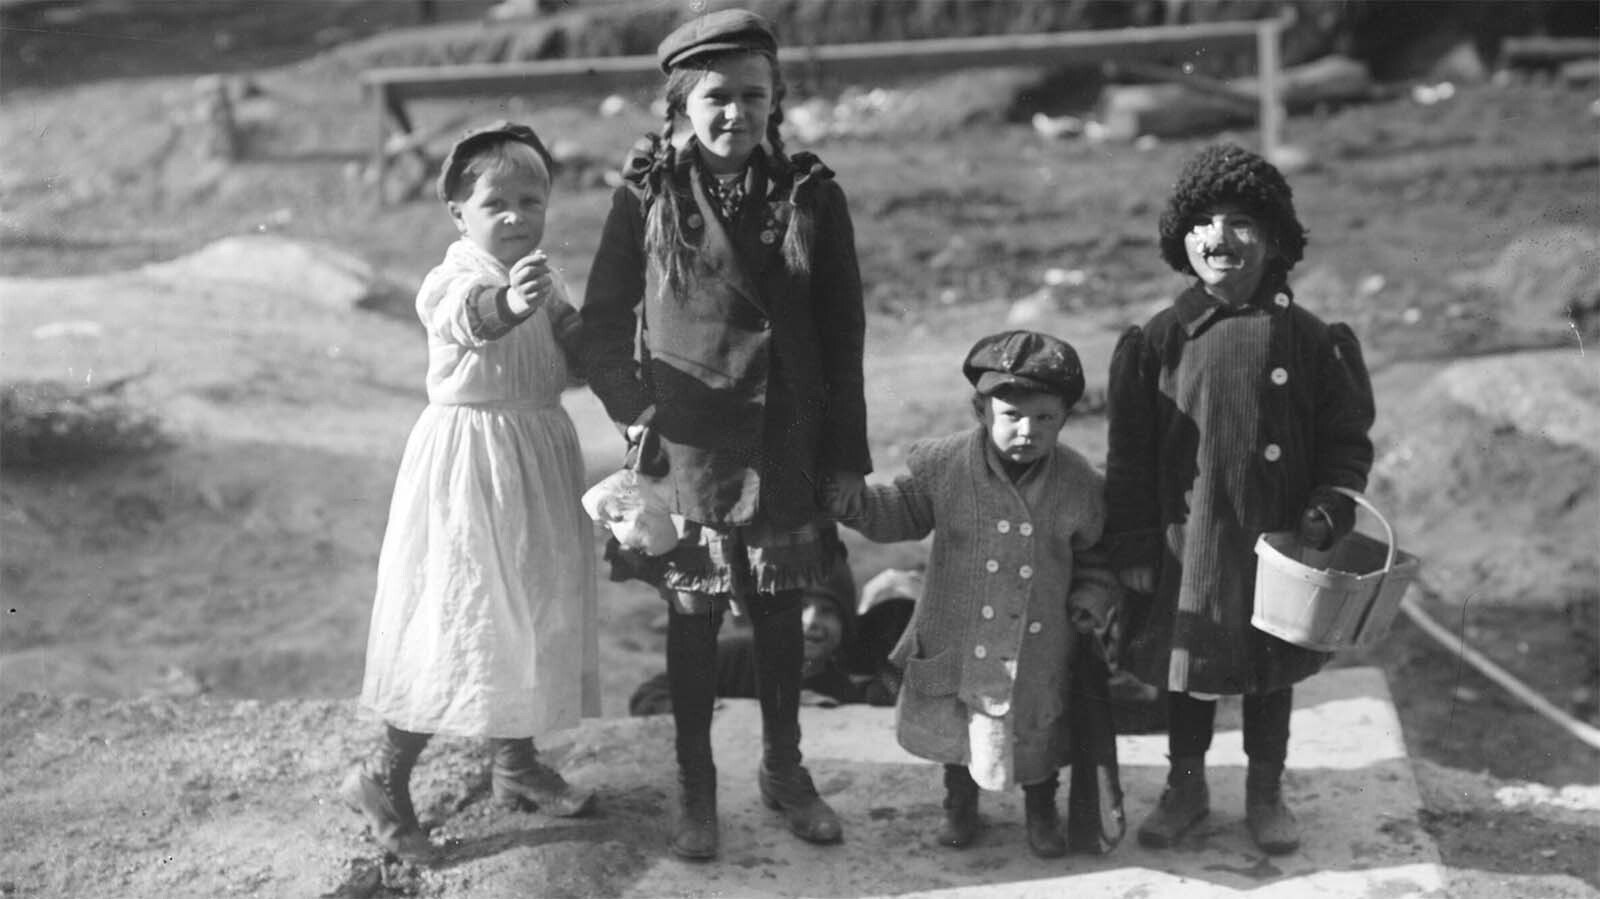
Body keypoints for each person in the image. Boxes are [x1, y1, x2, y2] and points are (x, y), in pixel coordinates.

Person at [581, 9, 872, 861]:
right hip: (692, 448)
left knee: (781, 613)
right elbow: (600, 324)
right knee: (695, 615)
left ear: (777, 100)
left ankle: (785, 771)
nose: (735, 114)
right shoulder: (647, 196)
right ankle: (696, 786)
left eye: (753, 95)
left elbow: (843, 333)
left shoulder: (811, 194)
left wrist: (845, 459)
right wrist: (638, 407)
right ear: (680, 102)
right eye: (716, 97)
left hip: (785, 436)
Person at [1104, 143, 1375, 856]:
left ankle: (1265, 789)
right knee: (1188, 667)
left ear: (1276, 238)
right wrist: (1132, 546)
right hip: (1187, 542)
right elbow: (1128, 458)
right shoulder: (1157, 341)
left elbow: (1347, 441)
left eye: (1241, 222)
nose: (1219, 238)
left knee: (1268, 668)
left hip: (1278, 541)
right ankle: (1185, 785)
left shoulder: (1310, 339)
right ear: (1179, 238)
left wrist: (1330, 504)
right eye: (1202, 222)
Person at [341, 121, 599, 862]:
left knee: (530, 606)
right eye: (497, 203)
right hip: (470, 465)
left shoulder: (545, 279)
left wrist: (625, 374)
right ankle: (380, 776)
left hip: (538, 453)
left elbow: (579, 352)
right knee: (465, 617)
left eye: (532, 199)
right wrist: (512, 304)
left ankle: (514, 763)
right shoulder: (451, 279)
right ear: (459, 213)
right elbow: (474, 319)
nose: (516, 215)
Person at [829, 330, 1120, 859]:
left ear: (1065, 418)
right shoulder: (945, 467)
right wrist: (853, 503)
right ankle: (958, 807)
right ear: (981, 410)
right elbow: (898, 511)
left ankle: (1040, 809)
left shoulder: (1077, 482)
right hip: (957, 636)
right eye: (1011, 415)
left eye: (1045, 418)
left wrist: (1092, 597)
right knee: (958, 730)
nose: (1027, 430)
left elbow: (1097, 556)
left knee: (1038, 729)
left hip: (1037, 642)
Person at [627, 541, 900, 715]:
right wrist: (722, 713)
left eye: (828, 612)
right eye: (800, 607)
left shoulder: (837, 694)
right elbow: (649, 696)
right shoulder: (734, 658)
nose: (812, 620)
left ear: (845, 627)